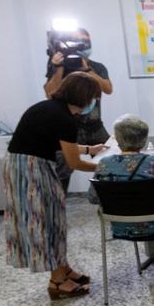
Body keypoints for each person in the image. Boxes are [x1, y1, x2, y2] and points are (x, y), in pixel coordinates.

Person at [4, 72, 104, 300]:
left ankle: (64, 269)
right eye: (92, 97)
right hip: (31, 171)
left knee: (56, 219)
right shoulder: (64, 118)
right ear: (83, 96)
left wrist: (90, 149)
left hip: (25, 166)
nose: (93, 103)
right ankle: (57, 281)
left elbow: (59, 143)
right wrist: (103, 166)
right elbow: (73, 162)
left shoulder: (50, 108)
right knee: (47, 221)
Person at [88, 115, 154, 280]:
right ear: (144, 139)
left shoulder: (104, 164)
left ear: (117, 139)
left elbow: (93, 197)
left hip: (120, 227)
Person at [44, 28, 114, 190]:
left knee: (111, 157)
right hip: (70, 125)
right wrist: (59, 67)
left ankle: (109, 197)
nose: (83, 45)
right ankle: (58, 197)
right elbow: (50, 93)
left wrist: (87, 70)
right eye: (78, 41)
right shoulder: (59, 65)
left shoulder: (97, 66)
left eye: (86, 41)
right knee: (63, 167)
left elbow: (108, 89)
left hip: (96, 126)